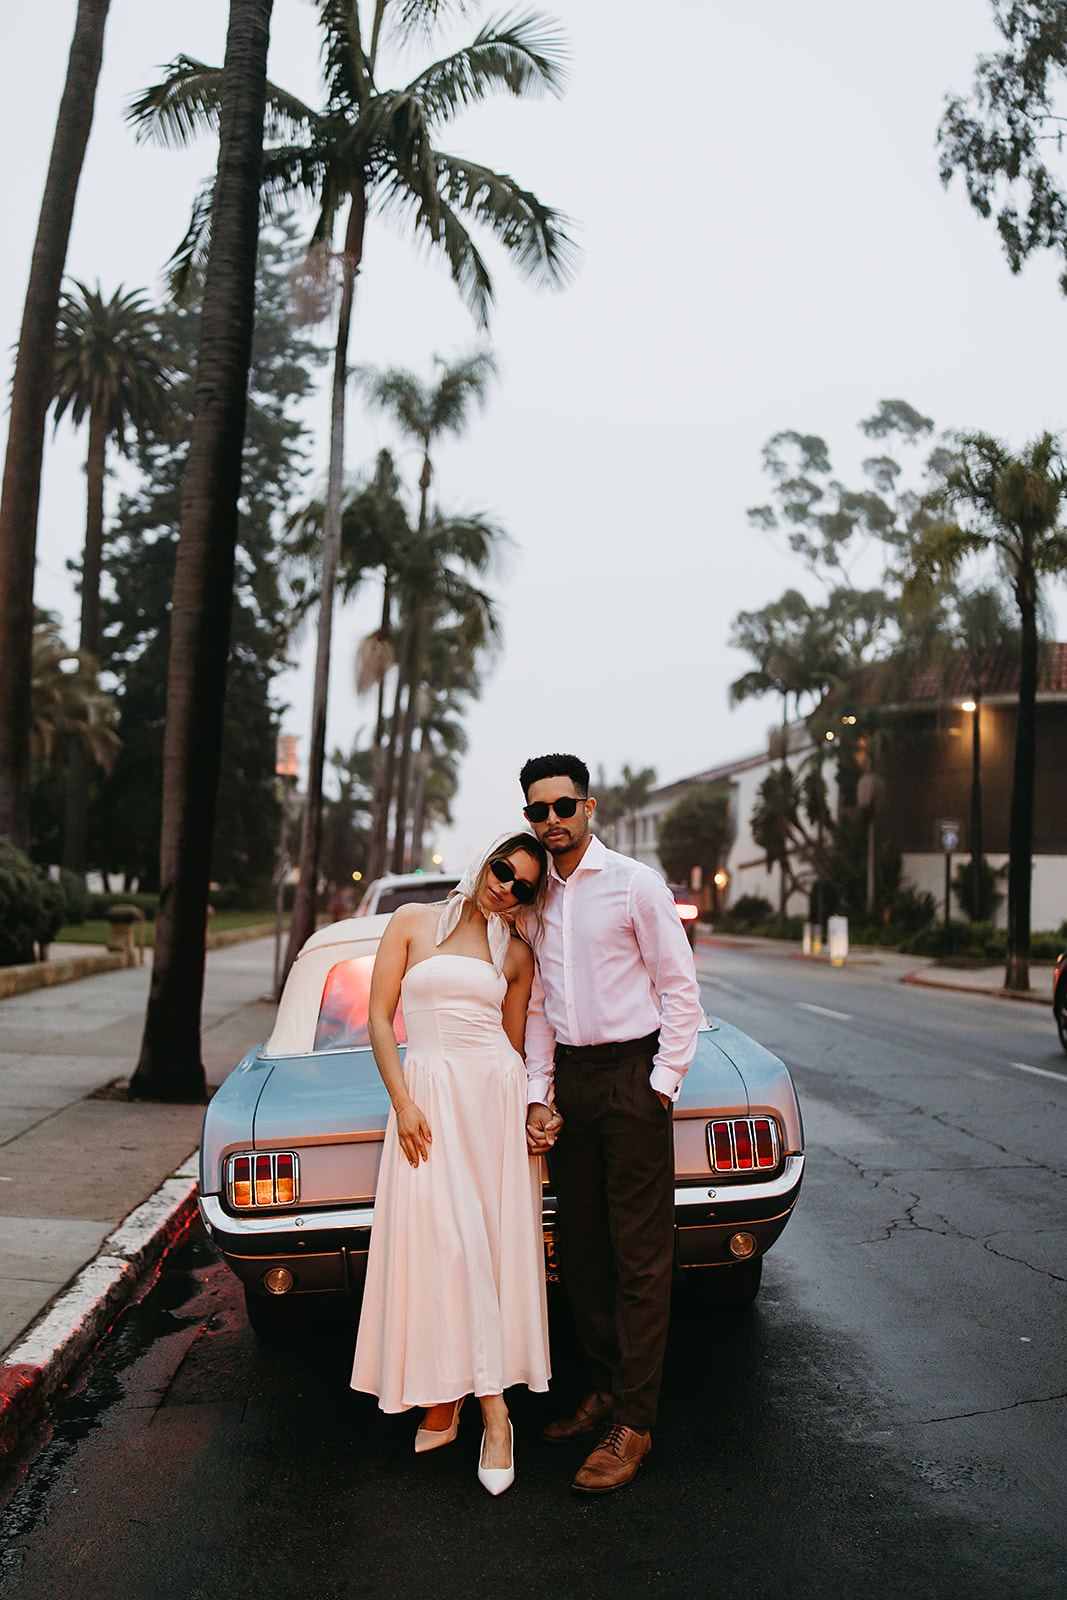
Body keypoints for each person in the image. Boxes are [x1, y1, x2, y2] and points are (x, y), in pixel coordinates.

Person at [520, 753, 704, 1494]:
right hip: (572, 1085)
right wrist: (540, 1092)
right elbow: (536, 1009)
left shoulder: (633, 884)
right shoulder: (537, 901)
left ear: (588, 808)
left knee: (639, 1257)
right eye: (538, 811)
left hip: (632, 1080)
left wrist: (659, 1086)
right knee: (583, 1253)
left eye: (563, 806)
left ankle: (634, 1418)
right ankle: (601, 1387)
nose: (552, 821)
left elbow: (678, 989)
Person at [351, 834, 551, 1496]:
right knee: (445, 1248)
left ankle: (491, 1413)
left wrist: (533, 1110)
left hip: (490, 1104)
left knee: (483, 1250)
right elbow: (381, 1021)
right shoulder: (410, 922)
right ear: (485, 859)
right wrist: (402, 1102)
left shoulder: (515, 954)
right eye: (503, 870)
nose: (506, 887)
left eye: (523, 886)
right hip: (427, 1101)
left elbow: (518, 1048)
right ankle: (456, 1395)